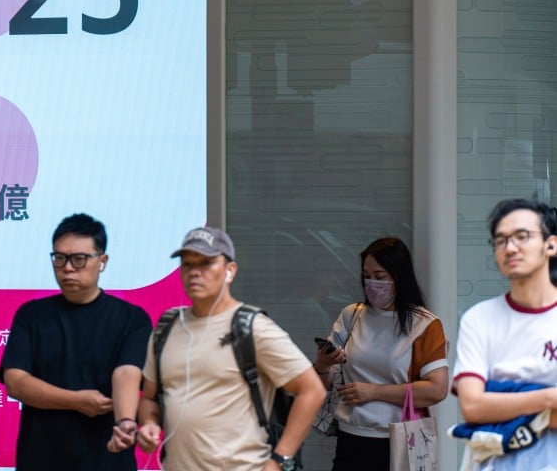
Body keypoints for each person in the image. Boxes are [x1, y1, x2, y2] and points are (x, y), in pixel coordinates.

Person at [136, 226, 324, 471]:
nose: (195, 272)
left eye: (206, 263)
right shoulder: (167, 328)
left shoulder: (252, 327)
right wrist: (149, 424)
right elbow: (150, 397)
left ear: (229, 271)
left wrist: (280, 460)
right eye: (188, 264)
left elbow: (312, 391)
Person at [0, 213, 152, 470]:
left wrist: (126, 421)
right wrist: (76, 400)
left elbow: (127, 373)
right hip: (41, 459)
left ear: (102, 261)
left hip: (107, 459)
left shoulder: (131, 319)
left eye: (79, 259)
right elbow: (16, 383)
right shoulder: (31, 315)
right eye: (59, 258)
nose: (68, 268)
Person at [313, 236, 448, 471]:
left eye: (380, 277)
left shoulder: (425, 325)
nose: (371, 283)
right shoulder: (351, 316)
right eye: (366, 275)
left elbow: (436, 390)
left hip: (400, 442)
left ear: (399, 277)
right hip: (350, 441)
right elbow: (324, 383)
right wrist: (322, 365)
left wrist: (374, 391)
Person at [452, 198, 557, 470]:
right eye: (501, 240)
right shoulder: (479, 319)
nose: (510, 247)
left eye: (522, 236)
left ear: (551, 244)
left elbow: (483, 404)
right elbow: (472, 406)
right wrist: (548, 398)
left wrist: (499, 396)